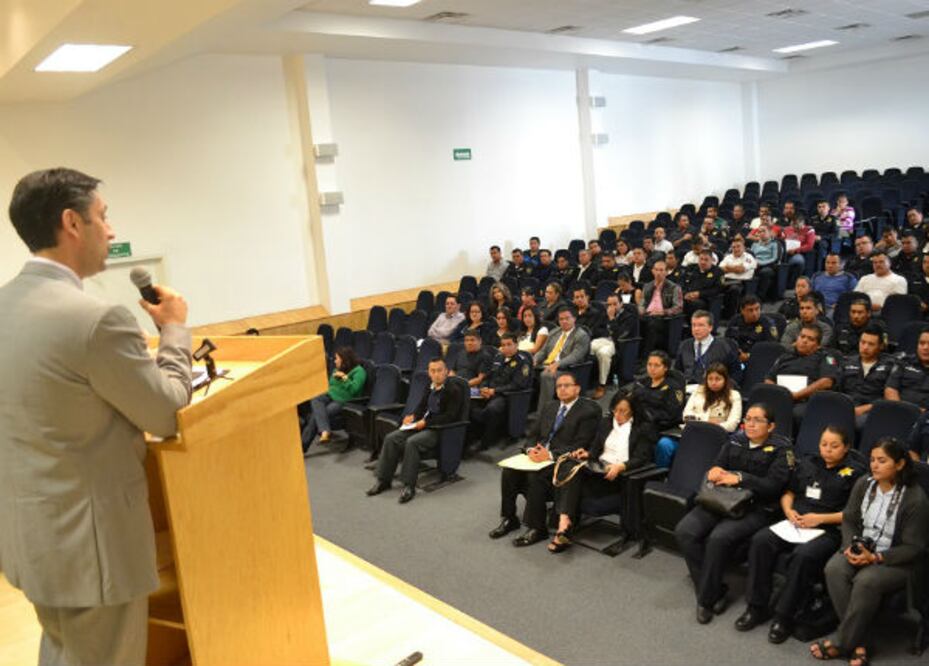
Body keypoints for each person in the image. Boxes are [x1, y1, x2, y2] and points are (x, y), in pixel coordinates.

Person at [0, 168, 193, 666]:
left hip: (31, 536)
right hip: (94, 548)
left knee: (62, 652)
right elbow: (166, 411)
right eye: (103, 217)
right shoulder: (95, 319)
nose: (111, 230)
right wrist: (174, 331)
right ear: (72, 222)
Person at [737, 427, 866, 643]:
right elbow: (789, 493)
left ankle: (784, 617)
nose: (827, 449)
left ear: (846, 447)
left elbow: (854, 513)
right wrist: (788, 511)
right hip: (795, 522)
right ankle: (756, 606)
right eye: (824, 444)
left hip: (828, 529)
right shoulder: (808, 462)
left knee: (803, 556)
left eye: (834, 446)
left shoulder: (857, 473)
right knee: (761, 540)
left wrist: (820, 519)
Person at [814, 438, 929, 666]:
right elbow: (849, 519)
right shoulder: (864, 483)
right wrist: (849, 546)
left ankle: (842, 642)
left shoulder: (915, 498)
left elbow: (914, 547)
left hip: (896, 559)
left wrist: (876, 557)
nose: (874, 465)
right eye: (872, 460)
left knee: (866, 581)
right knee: (834, 569)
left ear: (899, 464)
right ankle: (860, 642)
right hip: (861, 547)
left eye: (882, 461)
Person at [675, 403, 792, 624]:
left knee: (718, 538)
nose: (751, 424)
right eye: (748, 418)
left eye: (757, 420)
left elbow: (774, 486)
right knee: (685, 531)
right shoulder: (735, 440)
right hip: (721, 499)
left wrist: (740, 478)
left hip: (756, 507)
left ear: (771, 426)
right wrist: (714, 470)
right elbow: (717, 465)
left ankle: (706, 600)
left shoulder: (781, 450)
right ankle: (715, 589)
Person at [488, 373, 600, 546]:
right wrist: (531, 450)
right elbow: (533, 435)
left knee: (536, 476)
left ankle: (537, 528)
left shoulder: (588, 412)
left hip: (562, 460)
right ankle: (510, 518)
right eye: (559, 386)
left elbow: (581, 444)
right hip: (538, 456)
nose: (562, 389)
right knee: (509, 471)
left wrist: (549, 455)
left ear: (577, 389)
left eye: (567, 385)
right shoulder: (550, 406)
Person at [547, 392, 657, 553]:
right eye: (615, 410)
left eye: (623, 411)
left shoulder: (642, 428)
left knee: (570, 478)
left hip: (617, 476)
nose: (617, 415)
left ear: (633, 410)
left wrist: (621, 466)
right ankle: (564, 525)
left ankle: (564, 525)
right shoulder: (607, 422)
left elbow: (641, 458)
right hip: (597, 469)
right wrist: (587, 454)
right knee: (568, 464)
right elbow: (596, 449)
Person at [367, 357, 465, 504]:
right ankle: (384, 480)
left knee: (412, 442)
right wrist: (412, 416)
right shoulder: (429, 387)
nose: (436, 374)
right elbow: (421, 407)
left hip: (439, 430)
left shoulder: (453, 390)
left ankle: (409, 486)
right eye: (433, 371)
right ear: (429, 373)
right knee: (391, 438)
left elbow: (450, 416)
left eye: (439, 370)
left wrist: (425, 422)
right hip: (422, 425)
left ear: (446, 372)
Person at [469, 333, 532, 451]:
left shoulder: (522, 362)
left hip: (506, 396)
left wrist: (494, 391)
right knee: (469, 403)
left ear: (516, 345)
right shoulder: (498, 357)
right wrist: (483, 387)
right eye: (503, 345)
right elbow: (487, 376)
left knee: (492, 409)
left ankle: (486, 441)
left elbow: (517, 385)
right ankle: (471, 438)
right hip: (488, 392)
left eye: (509, 344)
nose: (506, 348)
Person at [765, 324, 840, 422]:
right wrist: (780, 394)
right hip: (781, 398)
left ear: (818, 346)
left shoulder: (825, 357)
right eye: (802, 336)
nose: (804, 341)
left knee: (796, 413)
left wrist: (796, 395)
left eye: (810, 339)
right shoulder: (785, 356)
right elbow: (768, 379)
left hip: (807, 401)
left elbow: (827, 381)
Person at [300, 347, 366, 451]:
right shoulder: (338, 369)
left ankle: (304, 446)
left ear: (344, 360)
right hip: (330, 395)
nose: (335, 361)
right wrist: (339, 378)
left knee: (316, 416)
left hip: (344, 400)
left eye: (337, 359)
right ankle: (324, 430)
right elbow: (331, 383)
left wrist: (344, 378)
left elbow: (354, 389)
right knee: (316, 399)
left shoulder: (359, 371)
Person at [631, 351, 685, 467]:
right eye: (649, 364)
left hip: (662, 426)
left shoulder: (674, 387)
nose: (652, 368)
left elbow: (672, 414)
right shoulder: (642, 382)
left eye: (656, 365)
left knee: (641, 432)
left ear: (665, 367)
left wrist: (649, 414)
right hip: (639, 421)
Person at [533, 307, 591, 414]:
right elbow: (543, 351)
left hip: (567, 369)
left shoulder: (581, 335)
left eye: (567, 318)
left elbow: (576, 356)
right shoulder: (554, 332)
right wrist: (535, 359)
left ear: (574, 318)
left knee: (547, 375)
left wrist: (558, 364)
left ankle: (544, 413)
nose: (564, 321)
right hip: (547, 364)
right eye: (561, 319)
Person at [836, 325, 894, 429]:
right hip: (846, 407)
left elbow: (889, 397)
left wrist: (864, 409)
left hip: (874, 411)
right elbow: (837, 390)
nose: (865, 347)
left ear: (881, 346)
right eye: (862, 342)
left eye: (871, 344)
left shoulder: (890, 365)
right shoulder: (847, 362)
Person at [674, 310, 740, 385]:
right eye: (693, 325)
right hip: (687, 387)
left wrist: (726, 387)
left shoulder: (723, 346)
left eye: (701, 325)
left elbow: (736, 372)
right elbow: (677, 372)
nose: (696, 329)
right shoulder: (684, 345)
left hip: (712, 388)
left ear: (710, 327)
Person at [573, 286, 614, 399]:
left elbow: (591, 332)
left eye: (582, 296)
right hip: (581, 341)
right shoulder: (571, 312)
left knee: (602, 353)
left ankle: (601, 385)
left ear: (587, 297)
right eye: (577, 297)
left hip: (600, 340)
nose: (579, 299)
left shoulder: (595, 313)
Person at [637, 259, 683, 353]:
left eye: (661, 270)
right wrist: (641, 310)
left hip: (663, 317)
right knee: (632, 319)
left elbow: (678, 307)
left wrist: (663, 312)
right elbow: (642, 303)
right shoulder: (647, 286)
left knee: (652, 323)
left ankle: (647, 353)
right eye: (656, 270)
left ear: (666, 272)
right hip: (647, 314)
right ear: (652, 271)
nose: (658, 273)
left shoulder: (674, 287)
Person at [682, 363, 743, 432]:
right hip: (694, 431)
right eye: (710, 379)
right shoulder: (698, 391)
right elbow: (686, 416)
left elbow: (732, 425)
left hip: (718, 433)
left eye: (718, 379)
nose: (713, 383)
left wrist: (711, 426)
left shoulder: (734, 395)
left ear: (725, 380)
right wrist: (706, 419)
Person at [725, 294, 778, 363]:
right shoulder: (735, 321)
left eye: (757, 309)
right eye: (750, 310)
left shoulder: (768, 324)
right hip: (736, 356)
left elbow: (772, 348)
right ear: (742, 310)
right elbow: (727, 341)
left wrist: (749, 356)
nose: (754, 313)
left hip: (758, 359)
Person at [885, 329, 929, 408]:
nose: (925, 347)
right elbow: (891, 389)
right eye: (922, 343)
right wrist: (901, 410)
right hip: (897, 409)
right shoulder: (905, 362)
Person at [718, 237, 757, 317]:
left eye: (738, 246)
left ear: (744, 248)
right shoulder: (728, 257)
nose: (736, 249)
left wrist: (728, 268)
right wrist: (735, 268)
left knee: (734, 289)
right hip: (726, 280)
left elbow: (740, 269)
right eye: (733, 247)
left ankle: (732, 315)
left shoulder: (749, 257)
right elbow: (720, 269)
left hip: (741, 282)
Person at [682, 250, 723, 318]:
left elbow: (717, 289)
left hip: (705, 299)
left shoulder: (718, 272)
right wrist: (685, 294)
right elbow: (682, 283)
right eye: (701, 259)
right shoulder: (691, 268)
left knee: (694, 304)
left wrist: (699, 294)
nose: (703, 262)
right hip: (687, 296)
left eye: (706, 260)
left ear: (711, 260)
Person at [783, 213, 816, 287]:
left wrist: (796, 250)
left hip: (798, 253)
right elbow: (782, 240)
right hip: (785, 252)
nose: (794, 227)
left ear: (802, 222)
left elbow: (809, 245)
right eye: (793, 224)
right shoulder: (787, 229)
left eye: (796, 224)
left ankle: (792, 284)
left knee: (798, 261)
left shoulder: (809, 230)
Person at [750, 225, 780, 301]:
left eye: (764, 231)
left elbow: (775, 258)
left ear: (769, 232)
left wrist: (761, 263)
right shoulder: (755, 244)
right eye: (759, 232)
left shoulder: (774, 244)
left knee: (765, 272)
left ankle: (760, 297)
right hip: (755, 265)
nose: (761, 233)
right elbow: (750, 256)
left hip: (769, 266)